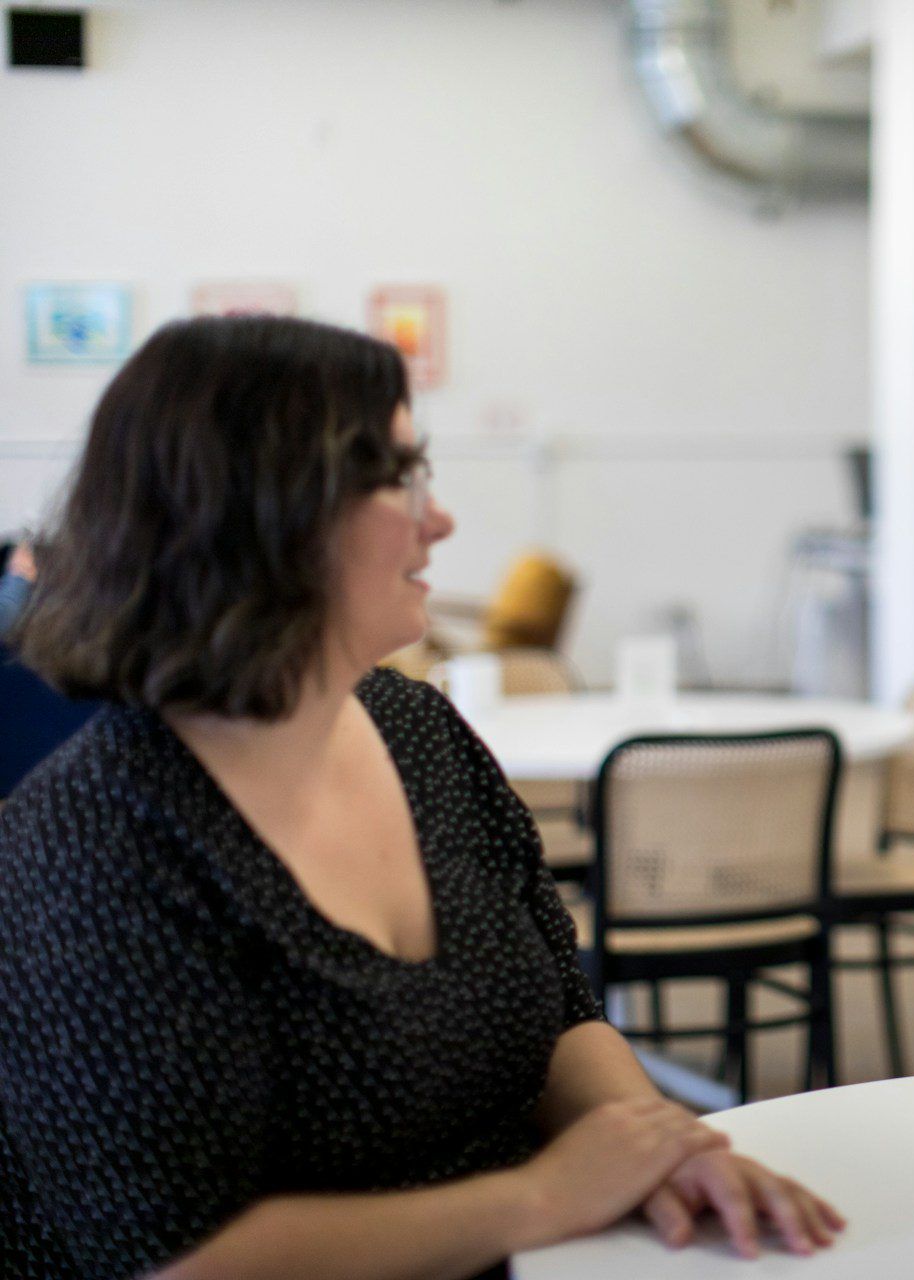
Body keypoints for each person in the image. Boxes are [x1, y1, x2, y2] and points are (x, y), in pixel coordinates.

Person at [0, 316, 843, 1279]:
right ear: (270, 516)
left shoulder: (417, 730)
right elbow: (171, 1260)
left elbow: (562, 1012)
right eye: (399, 477)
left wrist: (656, 1145)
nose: (437, 518)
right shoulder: (92, 842)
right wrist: (546, 1196)